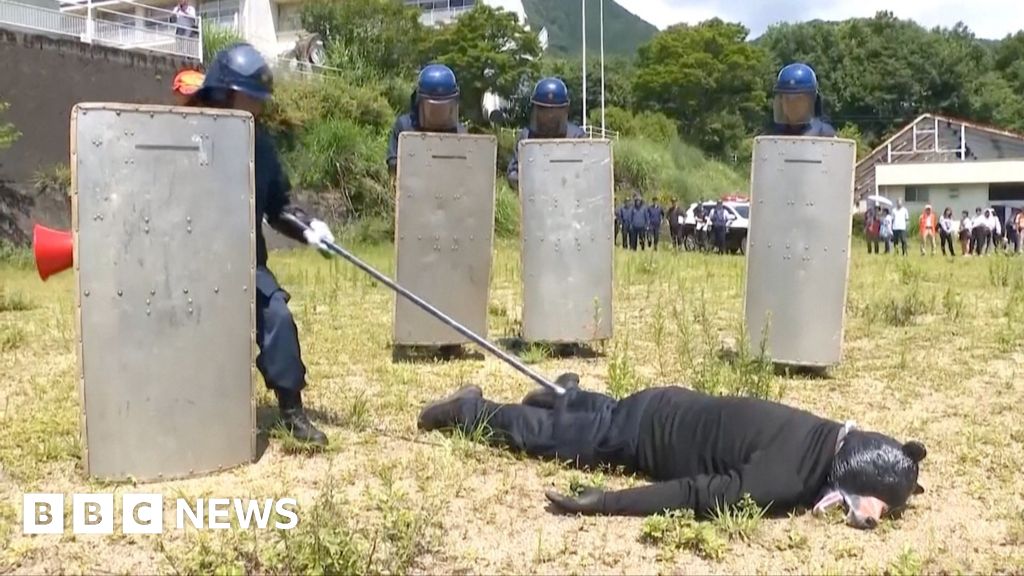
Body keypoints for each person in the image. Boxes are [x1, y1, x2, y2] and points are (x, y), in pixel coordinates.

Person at [417, 375, 927, 530]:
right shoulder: (784, 479)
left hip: (669, 402)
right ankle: (468, 409)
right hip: (644, 433)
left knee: (601, 415)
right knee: (547, 435)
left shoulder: (825, 433)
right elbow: (691, 494)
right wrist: (607, 501)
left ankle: (561, 397)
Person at [192, 43, 333, 447]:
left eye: (258, 101)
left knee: (278, 318)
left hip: (243, 263)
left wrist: (308, 228)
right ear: (222, 92)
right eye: (247, 98)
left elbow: (278, 206)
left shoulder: (261, 145)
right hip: (184, 262)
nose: (254, 108)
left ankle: (291, 410)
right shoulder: (185, 131)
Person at [386, 64, 467, 175]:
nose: (438, 112)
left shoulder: (461, 135)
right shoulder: (405, 128)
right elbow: (393, 165)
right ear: (419, 102)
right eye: (433, 108)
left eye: (443, 107)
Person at [507, 77, 587, 188]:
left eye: (554, 111)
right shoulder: (526, 137)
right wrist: (531, 181)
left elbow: (587, 173)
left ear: (564, 110)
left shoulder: (576, 137)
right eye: (543, 110)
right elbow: (513, 173)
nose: (549, 116)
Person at [765, 63, 837, 137]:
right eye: (787, 98)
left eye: (798, 99)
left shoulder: (825, 134)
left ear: (811, 101)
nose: (792, 104)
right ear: (781, 101)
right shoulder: (773, 135)